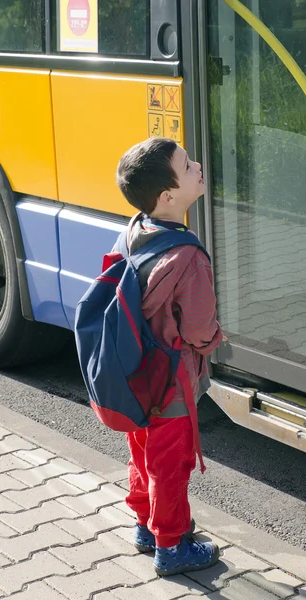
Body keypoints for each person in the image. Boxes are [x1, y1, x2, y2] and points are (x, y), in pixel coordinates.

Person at [116, 137, 225, 576]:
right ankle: (171, 547)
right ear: (168, 196)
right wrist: (216, 339)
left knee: (143, 451)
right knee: (172, 464)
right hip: (173, 382)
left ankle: (145, 524)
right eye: (187, 164)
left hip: (139, 374)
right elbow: (199, 330)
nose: (197, 165)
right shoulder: (188, 257)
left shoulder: (134, 230)